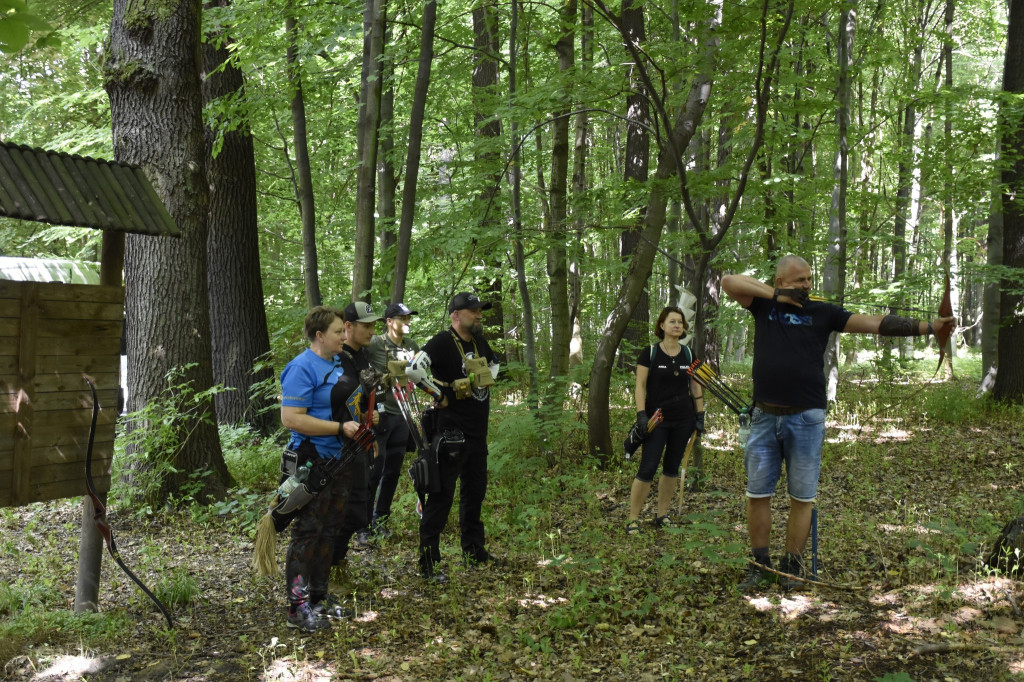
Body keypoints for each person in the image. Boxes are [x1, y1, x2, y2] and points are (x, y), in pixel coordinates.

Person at [721, 254, 955, 591]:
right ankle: (760, 565)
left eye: (808, 279)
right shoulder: (763, 305)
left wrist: (929, 327)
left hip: (806, 417)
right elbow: (729, 281)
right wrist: (776, 296)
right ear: (781, 281)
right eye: (799, 280)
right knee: (758, 494)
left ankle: (793, 567)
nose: (806, 285)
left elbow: (874, 323)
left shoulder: (823, 311)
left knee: (802, 497)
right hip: (763, 416)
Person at [406, 292, 500, 583]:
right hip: (451, 435)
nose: (479, 315)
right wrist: (438, 395)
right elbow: (413, 369)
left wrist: (481, 380)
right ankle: (428, 562)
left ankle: (473, 550)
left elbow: (495, 365)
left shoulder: (479, 342)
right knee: (441, 497)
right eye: (473, 311)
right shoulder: (442, 342)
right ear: (456, 315)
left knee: (475, 494)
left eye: (479, 310)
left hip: (477, 434)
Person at [279, 306, 360, 632]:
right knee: (307, 533)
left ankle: (318, 597)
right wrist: (339, 429)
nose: (344, 336)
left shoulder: (340, 363)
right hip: (311, 463)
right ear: (319, 335)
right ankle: (297, 608)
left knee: (330, 529)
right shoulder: (300, 368)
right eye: (339, 331)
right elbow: (291, 418)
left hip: (342, 461)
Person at [626, 306, 705, 534]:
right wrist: (642, 415)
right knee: (648, 467)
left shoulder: (688, 355)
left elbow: (695, 385)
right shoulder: (649, 352)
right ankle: (633, 518)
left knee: (671, 468)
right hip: (656, 420)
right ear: (662, 326)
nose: (677, 326)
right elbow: (640, 386)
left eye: (680, 322)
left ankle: (662, 515)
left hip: (683, 420)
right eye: (672, 322)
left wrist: (699, 415)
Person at [331, 302, 383, 566]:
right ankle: (329, 566)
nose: (372, 331)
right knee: (342, 512)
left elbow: (359, 402)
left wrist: (369, 416)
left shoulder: (363, 357)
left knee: (360, 512)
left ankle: (336, 562)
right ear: (349, 327)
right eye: (367, 325)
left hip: (359, 444)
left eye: (374, 325)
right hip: (336, 446)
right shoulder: (335, 358)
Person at [365, 302, 421, 539]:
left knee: (392, 473)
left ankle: (381, 521)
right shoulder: (376, 343)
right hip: (381, 416)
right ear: (389, 321)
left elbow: (420, 374)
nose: (407, 322)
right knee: (374, 471)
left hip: (403, 415)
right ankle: (363, 525)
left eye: (409, 318)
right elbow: (359, 365)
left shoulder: (412, 346)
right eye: (402, 318)